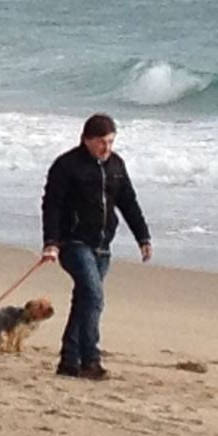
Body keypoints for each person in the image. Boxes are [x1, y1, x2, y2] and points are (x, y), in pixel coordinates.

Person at [40, 113, 151, 381]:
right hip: (73, 243)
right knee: (94, 297)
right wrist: (51, 243)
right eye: (102, 142)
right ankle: (91, 360)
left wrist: (143, 238)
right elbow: (51, 206)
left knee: (85, 301)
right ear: (87, 139)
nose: (107, 148)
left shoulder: (116, 165)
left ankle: (69, 361)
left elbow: (129, 203)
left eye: (111, 142)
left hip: (102, 245)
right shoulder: (67, 165)